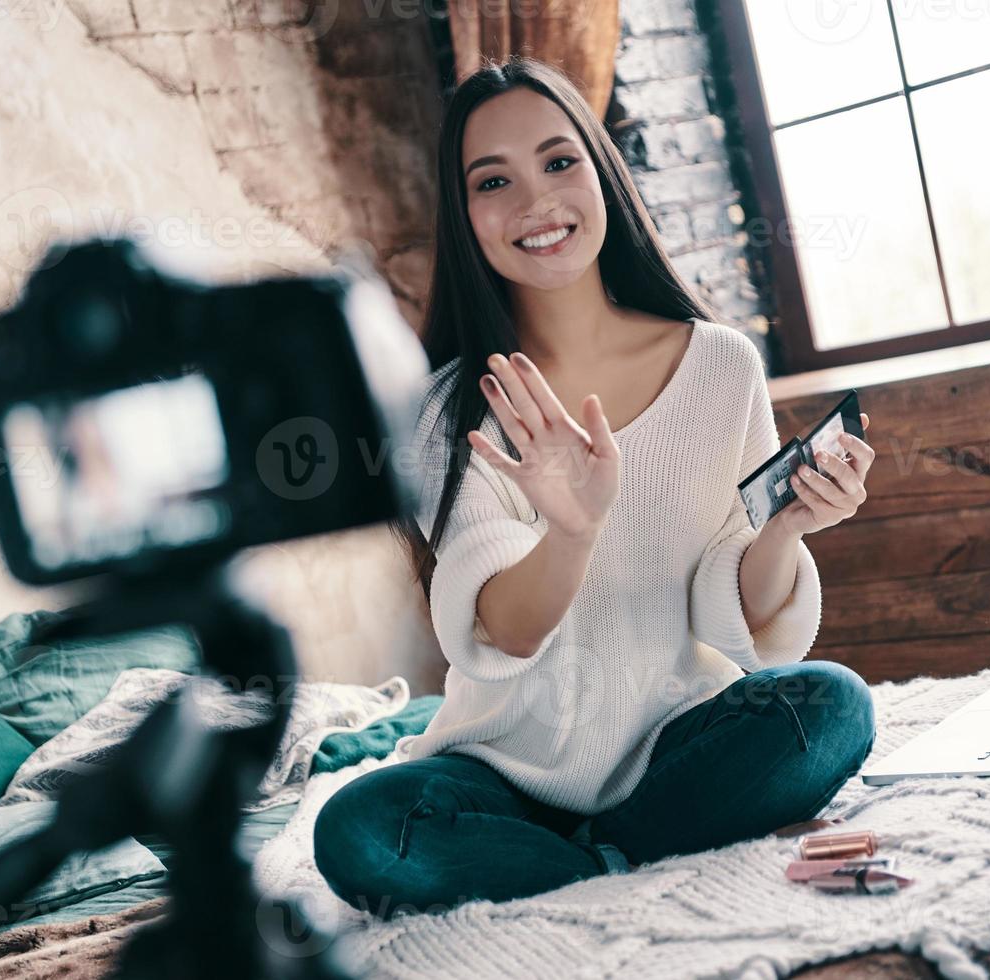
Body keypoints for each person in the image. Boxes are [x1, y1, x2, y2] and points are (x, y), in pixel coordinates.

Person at [313, 56, 876, 920]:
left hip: (673, 745)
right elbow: (501, 629)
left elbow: (735, 615)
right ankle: (623, 860)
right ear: (465, 216)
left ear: (601, 170)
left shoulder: (721, 365)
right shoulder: (450, 408)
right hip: (500, 769)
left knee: (831, 706)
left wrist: (785, 532)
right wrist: (571, 528)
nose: (536, 201)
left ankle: (578, 867)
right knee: (359, 829)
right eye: (492, 180)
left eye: (558, 161)